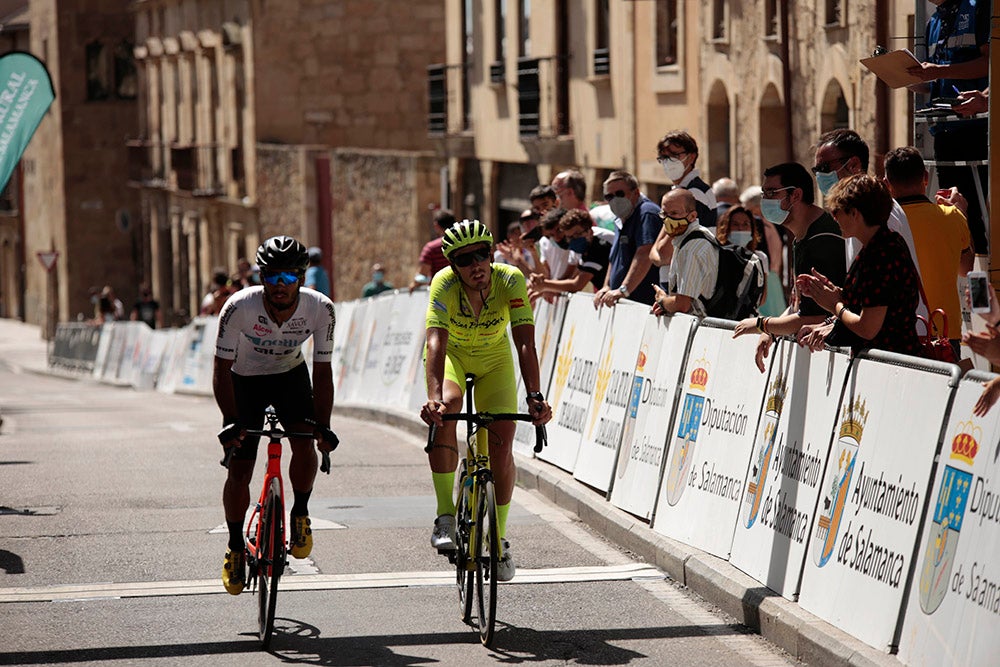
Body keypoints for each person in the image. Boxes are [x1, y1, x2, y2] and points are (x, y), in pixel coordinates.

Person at [420, 219, 552, 582]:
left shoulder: (510, 279)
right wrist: (433, 398)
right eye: (464, 259)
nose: (475, 264)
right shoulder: (443, 284)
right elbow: (435, 341)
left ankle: (499, 540)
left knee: (502, 446)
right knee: (448, 407)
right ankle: (446, 514)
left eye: (482, 254)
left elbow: (524, 339)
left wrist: (535, 395)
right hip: (453, 356)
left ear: (492, 253)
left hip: (495, 360)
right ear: (452, 265)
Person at [213, 235, 338, 595]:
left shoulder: (320, 309)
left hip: (290, 377)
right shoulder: (239, 307)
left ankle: (300, 512)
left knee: (304, 443)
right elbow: (221, 369)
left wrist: (324, 425)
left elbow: (324, 371)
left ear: (301, 277)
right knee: (240, 466)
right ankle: (236, 546)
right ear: (260, 277)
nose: (279, 286)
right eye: (271, 277)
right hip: (245, 380)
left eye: (288, 277)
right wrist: (230, 420)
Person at [732, 162, 847, 372]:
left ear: (795, 195)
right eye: (763, 192)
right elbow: (799, 304)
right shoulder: (801, 235)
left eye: (771, 192)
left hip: (830, 361)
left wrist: (762, 324)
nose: (764, 199)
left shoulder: (823, 239)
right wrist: (773, 330)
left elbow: (820, 315)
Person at [796, 174, 923, 358]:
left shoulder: (881, 254)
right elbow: (871, 302)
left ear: (854, 213)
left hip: (890, 364)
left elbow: (867, 328)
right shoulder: (881, 245)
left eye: (836, 211)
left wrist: (835, 305)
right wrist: (834, 293)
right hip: (885, 362)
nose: (834, 218)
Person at [907, 0, 990, 254]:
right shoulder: (934, 22)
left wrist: (939, 71)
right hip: (944, 131)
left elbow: (991, 63)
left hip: (977, 129)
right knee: (953, 214)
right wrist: (908, 79)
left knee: (979, 214)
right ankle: (966, 277)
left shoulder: (979, 7)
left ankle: (984, 277)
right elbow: (938, 79)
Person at [884, 146, 973, 358]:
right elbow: (966, 267)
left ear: (887, 184)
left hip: (899, 331)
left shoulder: (883, 222)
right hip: (943, 331)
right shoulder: (952, 215)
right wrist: (962, 214)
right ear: (925, 177)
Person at [594, 170, 661, 308]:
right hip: (624, 303)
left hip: (644, 304)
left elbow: (644, 253)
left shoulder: (646, 213)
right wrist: (607, 286)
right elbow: (615, 258)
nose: (614, 200)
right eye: (609, 196)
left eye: (619, 194)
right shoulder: (622, 216)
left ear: (635, 193)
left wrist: (623, 290)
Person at [650, 189, 719, 318]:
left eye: (674, 213)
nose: (668, 219)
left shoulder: (690, 249)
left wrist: (662, 300)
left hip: (703, 328)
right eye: (664, 214)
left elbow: (682, 305)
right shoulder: (700, 235)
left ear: (692, 216)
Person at [528, 208, 614, 296]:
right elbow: (569, 278)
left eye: (577, 234)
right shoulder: (581, 249)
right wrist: (544, 288)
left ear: (589, 231)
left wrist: (544, 285)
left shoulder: (599, 247)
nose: (574, 240)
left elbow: (576, 285)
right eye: (570, 237)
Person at [716, 205, 769, 308]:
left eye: (745, 224)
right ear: (726, 227)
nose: (740, 228)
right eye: (735, 224)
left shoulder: (760, 258)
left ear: (752, 229)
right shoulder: (717, 254)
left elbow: (762, 297)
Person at [409, 208, 456, 292]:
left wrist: (413, 284)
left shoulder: (431, 248)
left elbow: (422, 276)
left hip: (440, 292)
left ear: (436, 225)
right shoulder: (462, 244)